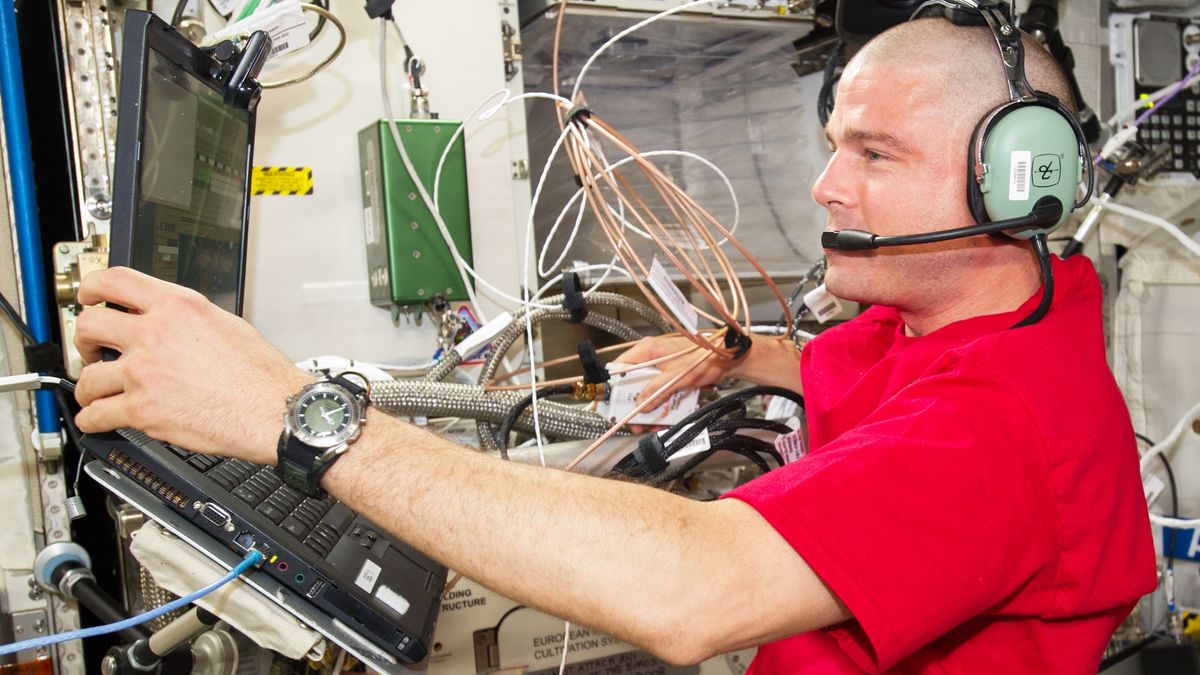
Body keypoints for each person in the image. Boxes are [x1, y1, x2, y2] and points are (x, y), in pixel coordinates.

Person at [72, 16, 1155, 674]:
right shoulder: (948, 317)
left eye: (875, 154)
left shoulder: (1008, 424)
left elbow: (697, 595)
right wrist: (744, 357)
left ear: (1017, 185)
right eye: (834, 146)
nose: (827, 186)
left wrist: (295, 418)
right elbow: (844, 369)